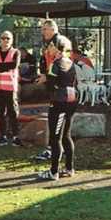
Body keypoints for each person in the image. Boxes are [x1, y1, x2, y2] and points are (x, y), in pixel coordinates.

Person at [37, 36, 79, 181]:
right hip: (71, 100)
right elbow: (73, 81)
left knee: (55, 138)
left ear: (56, 47)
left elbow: (51, 85)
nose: (48, 48)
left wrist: (46, 79)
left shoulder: (56, 63)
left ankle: (53, 172)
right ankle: (69, 168)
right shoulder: (71, 62)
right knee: (66, 135)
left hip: (59, 102)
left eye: (50, 46)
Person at [0, 31, 22, 146]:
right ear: (0, 39)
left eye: (8, 38)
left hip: (10, 87)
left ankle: (15, 137)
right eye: (3, 38)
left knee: (13, 112)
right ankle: (2, 136)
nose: (5, 40)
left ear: (11, 40)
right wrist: (4, 67)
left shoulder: (15, 52)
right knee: (0, 113)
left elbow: (14, 66)